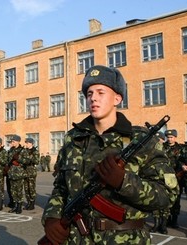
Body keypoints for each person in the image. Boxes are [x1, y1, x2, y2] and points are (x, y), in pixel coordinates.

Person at [41, 65, 178, 244]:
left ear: (117, 98)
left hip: (124, 239)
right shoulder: (73, 139)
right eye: (89, 94)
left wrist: (124, 182)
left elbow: (167, 196)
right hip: (77, 239)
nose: (93, 98)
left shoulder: (141, 140)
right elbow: (61, 187)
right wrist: (52, 215)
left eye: (100, 92)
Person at [163, 129, 186, 229]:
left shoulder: (181, 148)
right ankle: (166, 219)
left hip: (177, 177)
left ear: (175, 137)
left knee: (176, 199)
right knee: (165, 199)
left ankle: (174, 220)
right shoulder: (162, 147)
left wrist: (184, 166)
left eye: (171, 137)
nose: (169, 139)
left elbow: (185, 160)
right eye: (168, 137)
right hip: (164, 177)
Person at [150, 131, 169, 234]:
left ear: (162, 140)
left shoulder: (167, 149)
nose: (157, 141)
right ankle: (156, 223)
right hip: (154, 177)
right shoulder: (152, 150)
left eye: (159, 139)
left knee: (165, 201)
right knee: (154, 201)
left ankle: (163, 225)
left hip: (166, 178)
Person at [19, 138, 39, 210]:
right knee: (26, 189)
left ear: (31, 143)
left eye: (27, 143)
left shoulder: (35, 152)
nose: (26, 144)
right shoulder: (24, 151)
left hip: (31, 173)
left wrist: (28, 160)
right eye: (26, 142)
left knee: (31, 188)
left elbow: (36, 161)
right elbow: (20, 159)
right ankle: (28, 202)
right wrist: (26, 160)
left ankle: (32, 203)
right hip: (25, 172)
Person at [7, 135, 25, 214]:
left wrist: (18, 160)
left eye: (13, 141)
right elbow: (8, 160)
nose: (12, 143)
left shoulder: (23, 150)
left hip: (19, 173)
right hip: (11, 173)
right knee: (13, 190)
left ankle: (19, 206)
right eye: (12, 141)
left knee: (19, 190)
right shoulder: (11, 150)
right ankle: (14, 206)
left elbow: (27, 161)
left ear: (18, 141)